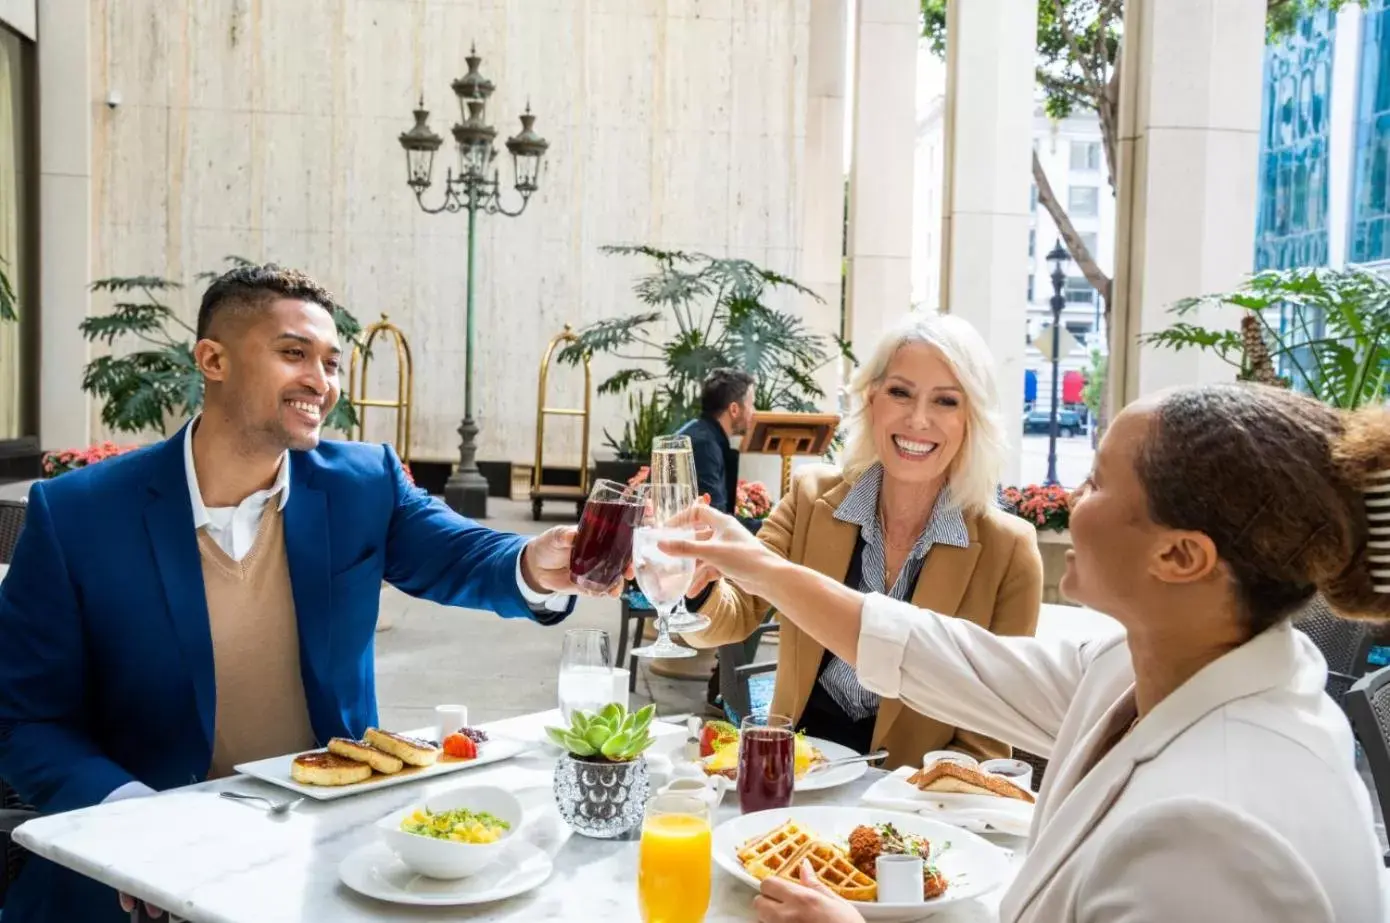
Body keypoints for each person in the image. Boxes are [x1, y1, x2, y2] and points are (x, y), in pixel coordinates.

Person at [0, 264, 605, 923]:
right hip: (138, 878)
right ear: (213, 359)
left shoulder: (361, 482)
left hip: (325, 857)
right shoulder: (79, 515)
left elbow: (464, 553)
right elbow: (25, 720)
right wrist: (133, 818)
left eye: (331, 361)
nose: (321, 381)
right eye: (294, 354)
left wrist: (536, 564)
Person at [665, 382, 1386, 923]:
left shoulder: (1214, 834)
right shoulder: (1146, 666)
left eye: (1099, 480)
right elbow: (928, 650)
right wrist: (750, 561)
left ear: (1180, 554)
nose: (1072, 495)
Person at [681, 314, 1042, 766]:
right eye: (900, 392)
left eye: (946, 401)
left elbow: (987, 738)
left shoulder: (1010, 552)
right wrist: (699, 587)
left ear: (973, 419)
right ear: (871, 399)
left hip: (914, 801)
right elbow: (732, 616)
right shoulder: (811, 499)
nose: (918, 419)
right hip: (795, 775)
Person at [676, 368, 757, 526]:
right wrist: (768, 527)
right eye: (751, 405)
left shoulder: (699, 433)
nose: (754, 412)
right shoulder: (705, 446)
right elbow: (714, 520)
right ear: (734, 409)